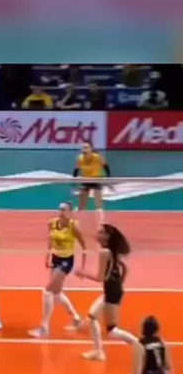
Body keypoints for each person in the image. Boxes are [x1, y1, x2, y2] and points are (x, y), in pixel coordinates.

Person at [76, 224, 137, 361]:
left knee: (112, 330)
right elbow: (124, 268)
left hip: (111, 291)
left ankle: (140, 346)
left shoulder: (104, 252)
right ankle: (98, 352)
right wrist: (119, 283)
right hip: (113, 289)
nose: (97, 233)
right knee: (92, 316)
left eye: (101, 232)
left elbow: (100, 277)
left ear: (107, 237)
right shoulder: (111, 251)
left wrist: (83, 273)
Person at [28, 202, 86, 338]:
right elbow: (50, 239)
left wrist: (82, 268)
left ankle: (44, 328)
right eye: (60, 209)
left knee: (47, 291)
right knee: (56, 294)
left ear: (70, 212)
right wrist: (47, 256)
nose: (61, 212)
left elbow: (84, 247)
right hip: (56, 258)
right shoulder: (52, 223)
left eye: (64, 210)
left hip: (66, 261)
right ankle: (76, 318)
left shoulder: (74, 226)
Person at [73, 141, 111, 226]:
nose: (84, 149)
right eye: (83, 148)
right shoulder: (80, 158)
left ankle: (101, 223)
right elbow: (76, 169)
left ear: (91, 149)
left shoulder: (97, 157)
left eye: (86, 147)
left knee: (98, 204)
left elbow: (106, 166)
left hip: (96, 180)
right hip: (86, 181)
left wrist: (108, 178)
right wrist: (74, 180)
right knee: (82, 205)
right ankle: (78, 223)